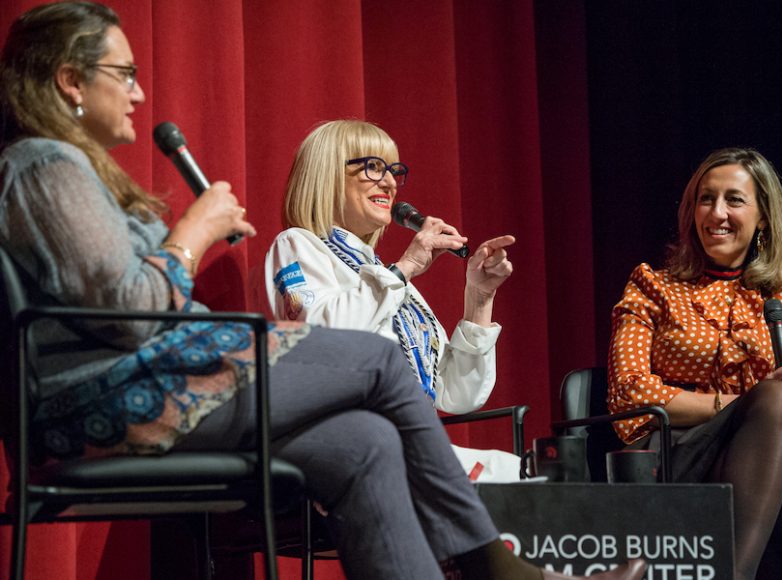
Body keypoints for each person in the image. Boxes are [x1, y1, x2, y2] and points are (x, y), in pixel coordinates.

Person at [0, 3, 647, 579]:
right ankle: (502, 574)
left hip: (153, 388)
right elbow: (132, 315)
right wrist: (192, 234)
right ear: (70, 81)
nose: (140, 94)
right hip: (109, 404)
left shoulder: (70, 169)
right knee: (376, 363)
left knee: (364, 443)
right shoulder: (44, 164)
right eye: (125, 74)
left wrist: (474, 297)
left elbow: (451, 394)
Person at [607, 147, 782, 580]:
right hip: (675, 454)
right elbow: (630, 393)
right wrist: (741, 404)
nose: (717, 213)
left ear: (763, 216)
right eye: (705, 199)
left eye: (734, 199)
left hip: (764, 457)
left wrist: (775, 409)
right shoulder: (653, 286)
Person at [265, 119, 520, 482]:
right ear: (326, 175)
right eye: (372, 167)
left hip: (412, 447)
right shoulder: (297, 245)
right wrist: (406, 268)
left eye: (393, 171)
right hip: (354, 447)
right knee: (524, 487)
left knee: (533, 474)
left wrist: (479, 297)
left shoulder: (389, 278)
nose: (388, 182)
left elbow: (457, 395)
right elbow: (316, 337)